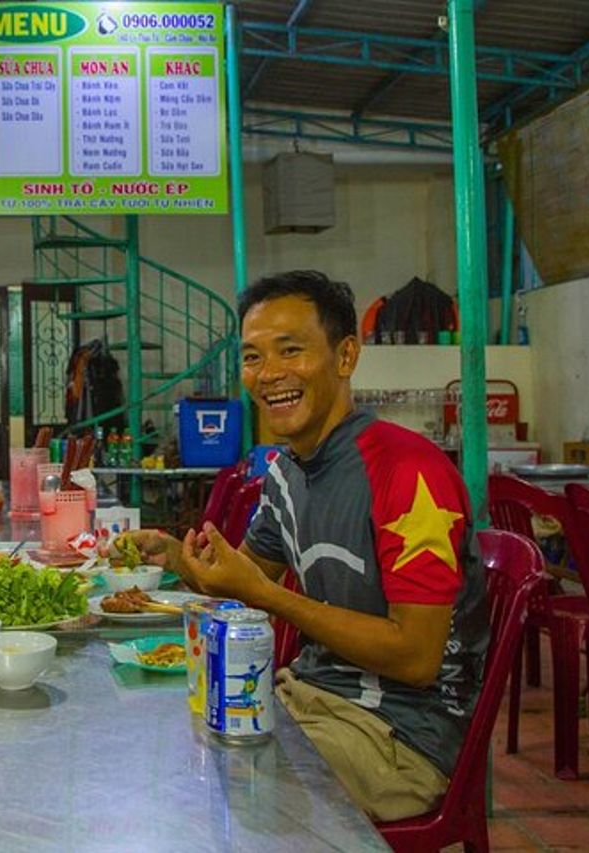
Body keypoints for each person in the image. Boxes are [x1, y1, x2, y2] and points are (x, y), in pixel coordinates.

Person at [122, 270, 489, 822]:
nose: (269, 375)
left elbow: (416, 658)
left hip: (400, 736)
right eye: (252, 357)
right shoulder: (287, 471)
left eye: (290, 351)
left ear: (345, 357)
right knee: (155, 751)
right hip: (307, 697)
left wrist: (270, 597)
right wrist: (175, 557)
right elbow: (243, 577)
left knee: (207, 798)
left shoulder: (408, 471)